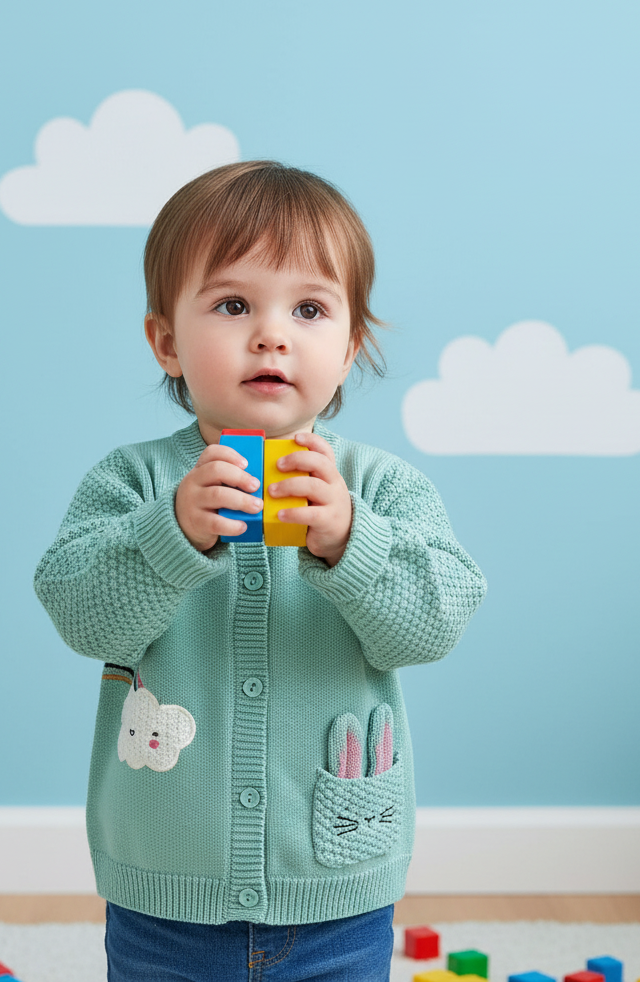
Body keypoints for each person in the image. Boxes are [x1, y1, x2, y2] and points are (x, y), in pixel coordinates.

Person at [34, 161, 487, 981]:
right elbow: (81, 615)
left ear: (350, 347)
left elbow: (438, 621)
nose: (272, 334)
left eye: (309, 309)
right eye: (233, 305)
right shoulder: (133, 483)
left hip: (336, 893)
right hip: (164, 899)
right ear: (166, 340)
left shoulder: (380, 488)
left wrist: (354, 539)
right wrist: (168, 531)